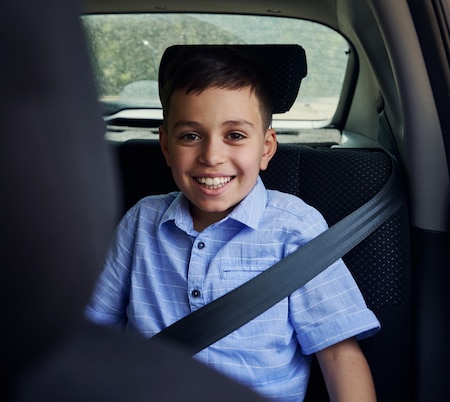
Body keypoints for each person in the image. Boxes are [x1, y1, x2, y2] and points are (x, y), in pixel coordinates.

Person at [85, 46, 380, 402]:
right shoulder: (140, 222)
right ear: (165, 145)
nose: (211, 156)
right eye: (190, 136)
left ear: (266, 148)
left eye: (235, 135)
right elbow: (92, 334)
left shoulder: (296, 229)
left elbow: (338, 355)